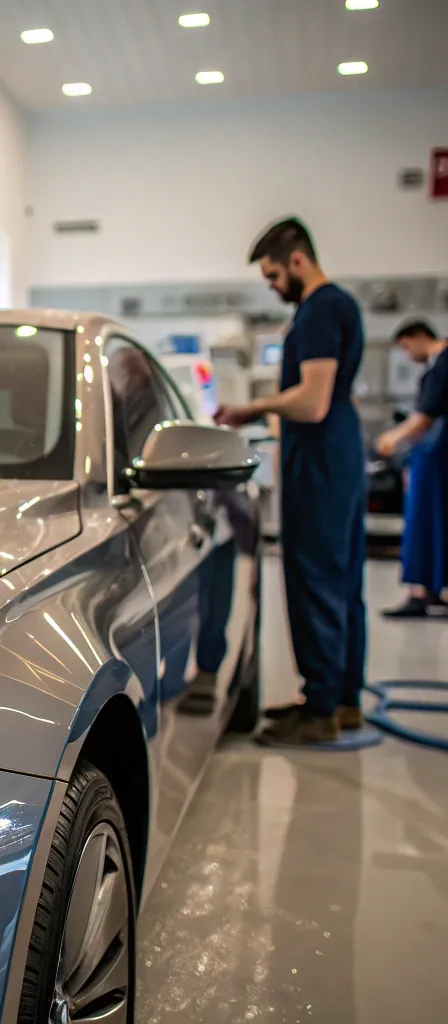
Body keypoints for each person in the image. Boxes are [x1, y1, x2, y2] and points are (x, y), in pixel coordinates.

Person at [214, 218, 366, 746]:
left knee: (316, 579)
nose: (274, 287)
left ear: (297, 259)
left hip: (320, 459)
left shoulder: (321, 308)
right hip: (335, 454)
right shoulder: (335, 306)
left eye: (275, 275)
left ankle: (319, 710)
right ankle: (344, 701)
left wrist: (250, 408)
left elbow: (312, 399)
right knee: (343, 582)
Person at [376, 320, 448, 618]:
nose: (407, 356)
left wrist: (392, 437)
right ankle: (434, 587)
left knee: (424, 521)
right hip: (436, 457)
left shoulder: (442, 365)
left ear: (419, 338)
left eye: (406, 348)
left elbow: (425, 416)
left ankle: (420, 589)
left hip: (436, 460)